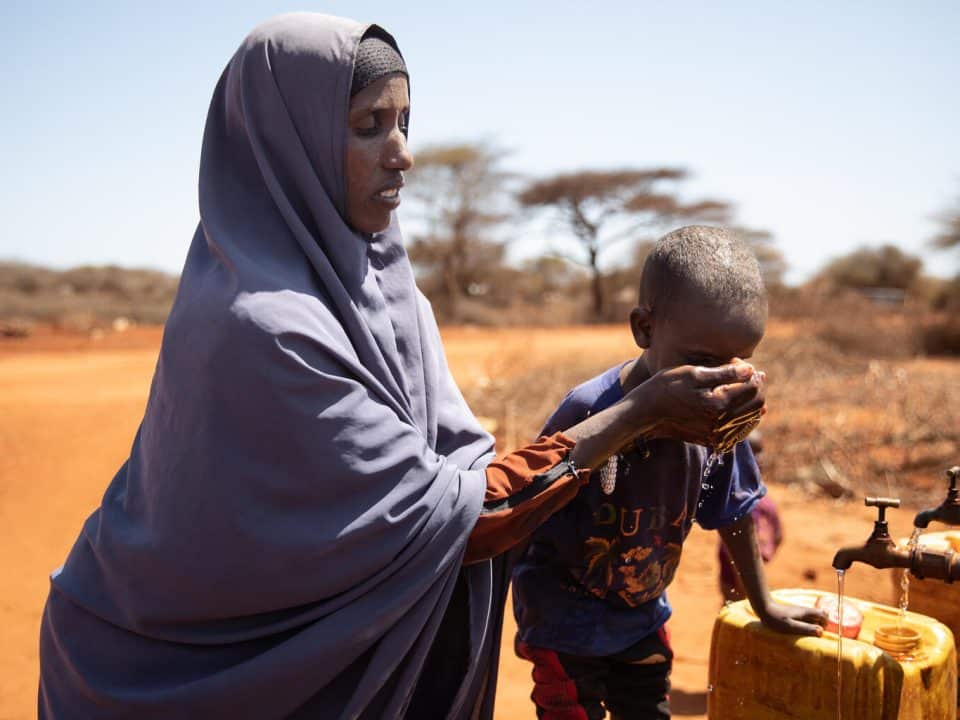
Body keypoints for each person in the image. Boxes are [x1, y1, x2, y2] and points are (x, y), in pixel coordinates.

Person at [37, 16, 768, 720]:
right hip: (186, 674)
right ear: (287, 146)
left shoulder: (389, 293)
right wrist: (639, 413)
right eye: (366, 127)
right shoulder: (264, 328)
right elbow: (458, 516)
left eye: (404, 124)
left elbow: (459, 478)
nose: (402, 153)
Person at [511, 226, 826, 720]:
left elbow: (735, 512)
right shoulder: (591, 409)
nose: (717, 382)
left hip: (642, 617)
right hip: (562, 621)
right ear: (644, 329)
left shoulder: (715, 418)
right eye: (700, 362)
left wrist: (762, 604)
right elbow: (532, 500)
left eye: (735, 364)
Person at [718, 430, 784, 602]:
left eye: (758, 451)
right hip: (738, 583)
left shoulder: (752, 505)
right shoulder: (740, 501)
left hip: (742, 587)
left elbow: (755, 551)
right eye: (747, 452)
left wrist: (750, 595)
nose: (756, 458)